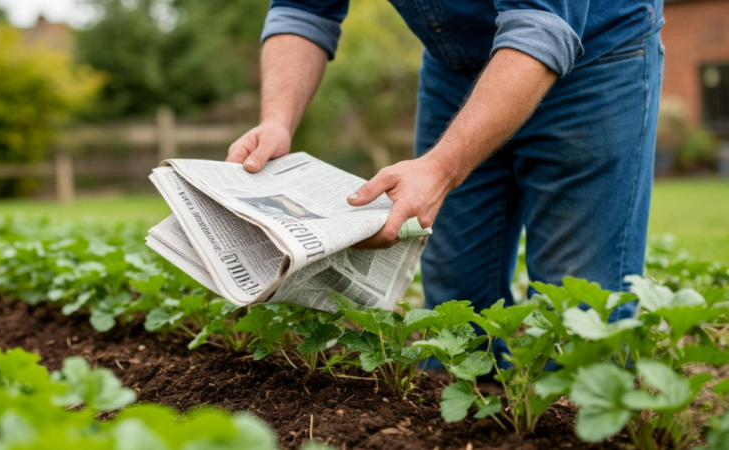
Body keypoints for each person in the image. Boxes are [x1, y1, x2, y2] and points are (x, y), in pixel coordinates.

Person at [227, 1, 664, 331]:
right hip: (457, 66)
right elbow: (302, 9)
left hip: (596, 60)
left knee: (579, 317)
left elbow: (541, 25)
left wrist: (442, 167)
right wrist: (277, 120)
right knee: (455, 312)